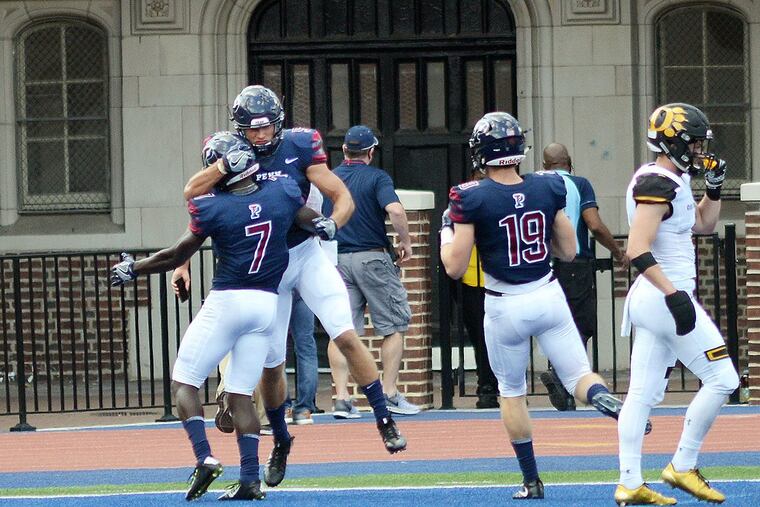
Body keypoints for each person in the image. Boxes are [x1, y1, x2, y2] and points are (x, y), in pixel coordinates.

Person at [177, 86, 407, 465]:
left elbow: (339, 192)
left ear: (279, 124)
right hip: (267, 266)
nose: (261, 136)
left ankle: (384, 418)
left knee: (344, 332)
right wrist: (182, 262)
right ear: (239, 129)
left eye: (267, 127)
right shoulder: (229, 151)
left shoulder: (300, 145)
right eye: (252, 129)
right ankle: (282, 439)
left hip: (304, 251)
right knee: (271, 362)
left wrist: (334, 223)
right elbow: (195, 200)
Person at [110, 131, 317, 501]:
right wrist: (327, 224)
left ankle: (204, 457)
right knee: (240, 395)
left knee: (184, 382)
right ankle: (251, 480)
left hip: (228, 300)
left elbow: (175, 255)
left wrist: (133, 268)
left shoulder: (213, 206)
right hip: (266, 305)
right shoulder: (282, 192)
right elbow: (307, 217)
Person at [440, 112, 634, 500]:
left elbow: (455, 267)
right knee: (579, 375)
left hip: (503, 305)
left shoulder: (470, 196)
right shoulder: (548, 186)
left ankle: (532, 480)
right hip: (547, 294)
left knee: (511, 391)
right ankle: (604, 399)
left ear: (480, 152)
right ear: (519, 151)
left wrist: (448, 230)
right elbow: (569, 249)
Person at [614, 103, 739, 506]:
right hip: (664, 296)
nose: (701, 149)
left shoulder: (674, 179)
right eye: (696, 141)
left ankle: (630, 481)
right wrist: (673, 295)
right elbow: (636, 248)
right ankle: (682, 464)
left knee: (642, 394)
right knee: (723, 378)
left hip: (661, 297)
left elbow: (702, 225)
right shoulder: (657, 182)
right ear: (675, 142)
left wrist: (714, 189)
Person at [323, 125, 419, 416]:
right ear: (371, 152)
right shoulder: (377, 177)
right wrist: (405, 242)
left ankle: (341, 398)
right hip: (373, 258)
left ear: (343, 151)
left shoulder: (329, 178)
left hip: (337, 258)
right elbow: (396, 210)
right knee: (392, 326)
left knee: (341, 329)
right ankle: (389, 393)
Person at [539, 143, 629, 412]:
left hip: (542, 266)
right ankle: (566, 379)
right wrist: (617, 251)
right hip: (575, 263)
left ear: (545, 166)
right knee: (581, 324)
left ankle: (561, 379)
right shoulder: (580, 184)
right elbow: (594, 223)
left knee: (554, 322)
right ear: (569, 162)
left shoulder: (533, 184)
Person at [458, 169, 499, 409]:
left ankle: (502, 385)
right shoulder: (461, 208)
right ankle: (486, 386)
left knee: (502, 336)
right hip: (472, 280)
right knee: (480, 337)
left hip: (498, 278)